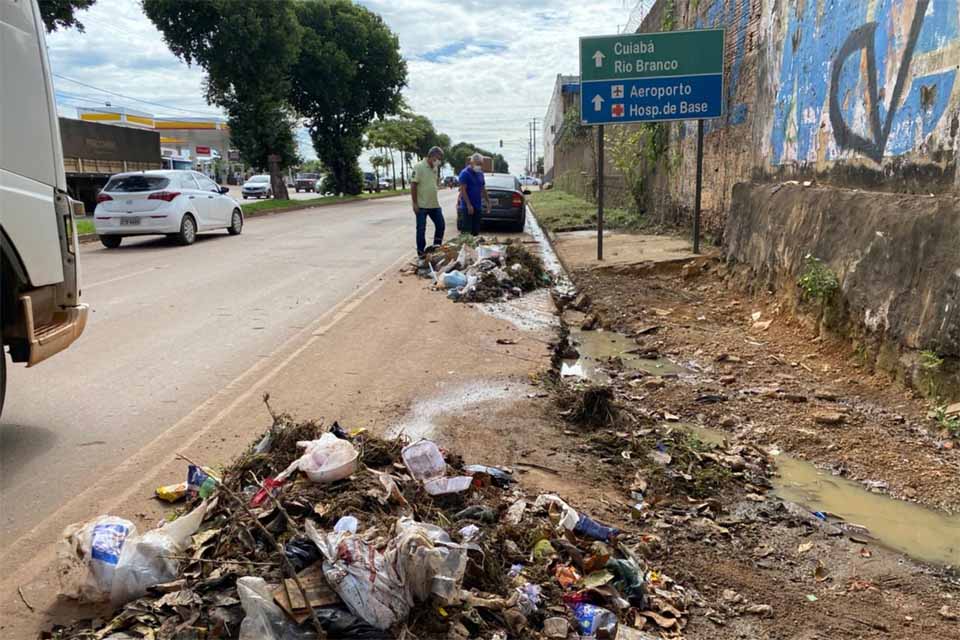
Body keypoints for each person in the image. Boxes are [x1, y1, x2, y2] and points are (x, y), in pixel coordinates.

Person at [411, 146, 445, 256]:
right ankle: (421, 253)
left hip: (434, 204)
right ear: (432, 156)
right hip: (421, 206)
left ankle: (436, 248)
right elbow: (413, 185)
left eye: (440, 159)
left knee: (441, 225)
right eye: (437, 158)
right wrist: (415, 203)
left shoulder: (435, 168)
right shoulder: (419, 167)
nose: (438, 161)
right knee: (421, 229)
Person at [458, 153, 490, 236]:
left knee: (475, 232)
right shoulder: (465, 174)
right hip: (467, 207)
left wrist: (488, 202)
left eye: (481, 164)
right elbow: (463, 191)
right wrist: (469, 205)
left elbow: (483, 188)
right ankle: (465, 248)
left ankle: (473, 248)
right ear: (471, 163)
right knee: (466, 232)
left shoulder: (480, 173)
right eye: (478, 164)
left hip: (477, 206)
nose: (479, 166)